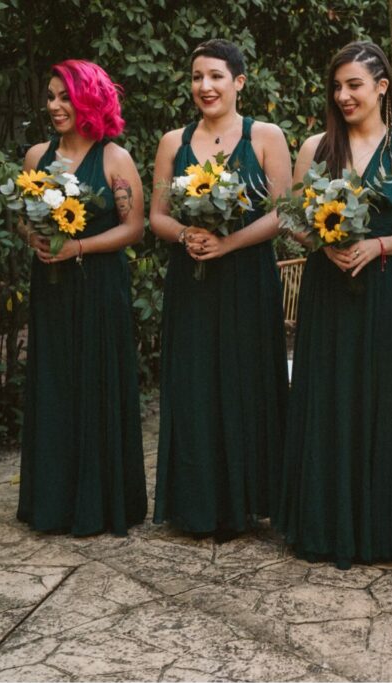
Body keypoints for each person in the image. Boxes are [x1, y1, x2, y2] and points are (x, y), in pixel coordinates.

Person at [274, 41, 392, 568]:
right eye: (337, 87)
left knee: (381, 401)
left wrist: (379, 244)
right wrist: (325, 243)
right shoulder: (315, 148)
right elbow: (292, 218)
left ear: (382, 88)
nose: (343, 96)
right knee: (327, 397)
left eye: (355, 86)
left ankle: (383, 529)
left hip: (383, 295)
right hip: (328, 293)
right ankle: (322, 525)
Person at [149, 39, 292, 540]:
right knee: (195, 385)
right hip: (192, 280)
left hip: (248, 280)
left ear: (239, 82)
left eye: (214, 76)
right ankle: (198, 503)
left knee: (246, 381)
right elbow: (157, 215)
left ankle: (250, 501)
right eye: (196, 77)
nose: (204, 87)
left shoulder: (266, 136)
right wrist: (188, 235)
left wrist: (228, 243)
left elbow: (284, 212)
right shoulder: (173, 141)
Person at [17, 59, 146, 535]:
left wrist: (79, 247)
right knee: (54, 384)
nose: (55, 106)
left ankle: (102, 502)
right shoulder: (37, 156)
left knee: (97, 383)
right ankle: (53, 501)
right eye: (50, 96)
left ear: (89, 98)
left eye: (64, 97)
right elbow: (24, 216)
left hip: (99, 289)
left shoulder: (114, 159)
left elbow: (134, 227)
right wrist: (33, 236)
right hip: (50, 287)